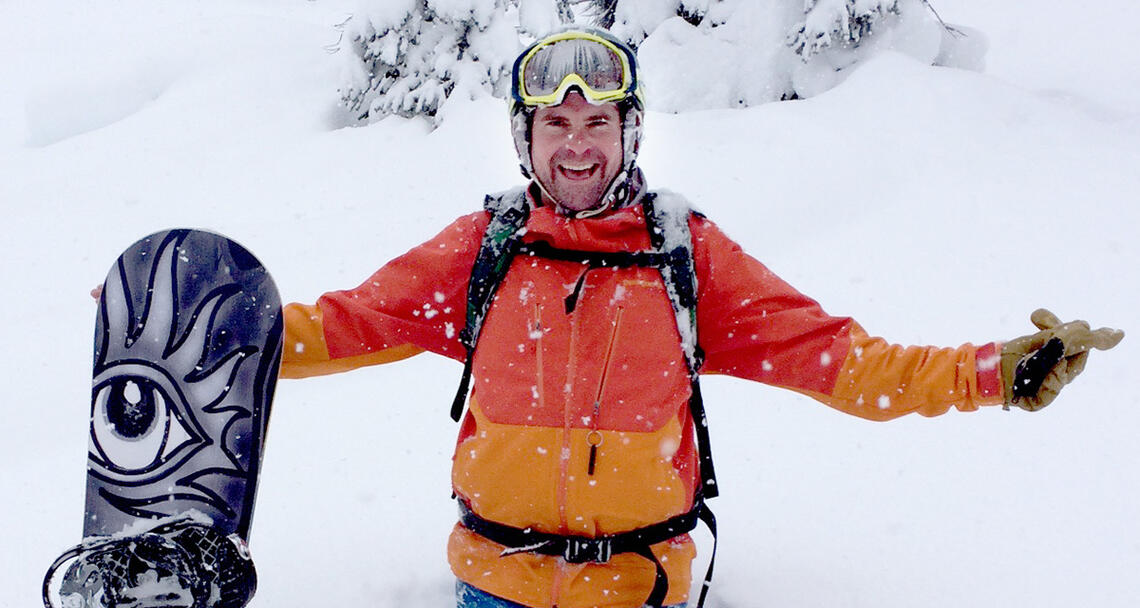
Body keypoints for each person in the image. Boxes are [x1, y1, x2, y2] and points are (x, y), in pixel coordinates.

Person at [278, 27, 1123, 608]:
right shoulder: (483, 250)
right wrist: (215, 336)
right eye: (557, 124)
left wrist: (990, 374)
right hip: (494, 583)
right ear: (524, 137)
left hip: (638, 587)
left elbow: (842, 361)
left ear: (630, 131)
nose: (577, 144)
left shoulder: (686, 257)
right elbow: (343, 325)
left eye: (598, 122)